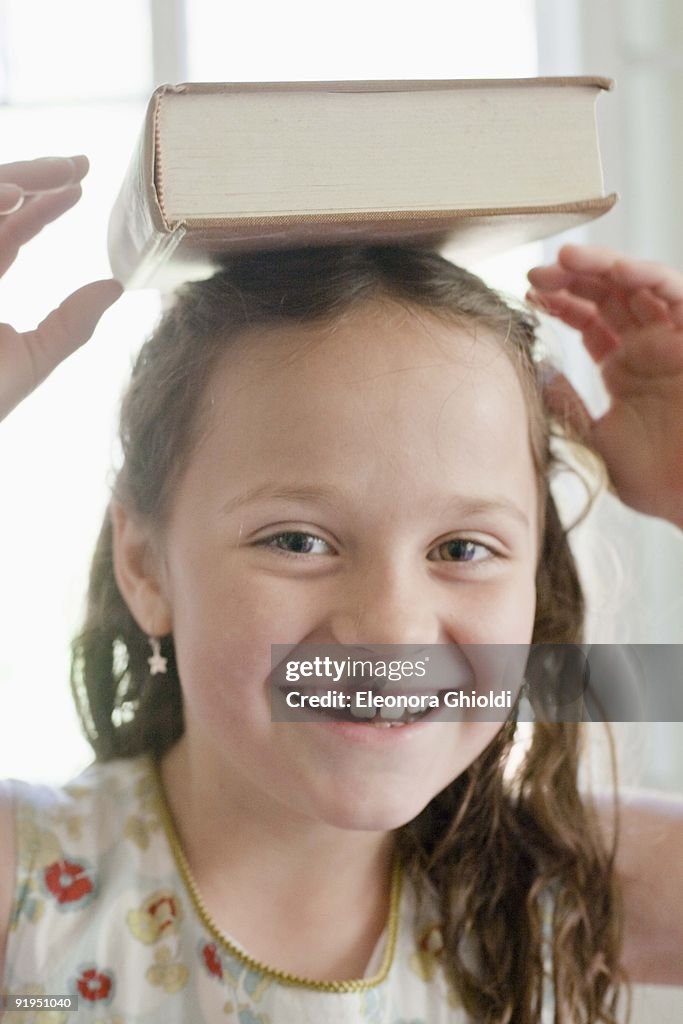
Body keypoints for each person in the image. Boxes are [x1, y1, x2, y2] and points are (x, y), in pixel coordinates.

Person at [0, 156, 681, 1023]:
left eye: (462, 547)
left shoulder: (560, 888)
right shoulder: (30, 896)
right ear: (146, 565)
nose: (389, 629)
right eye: (297, 540)